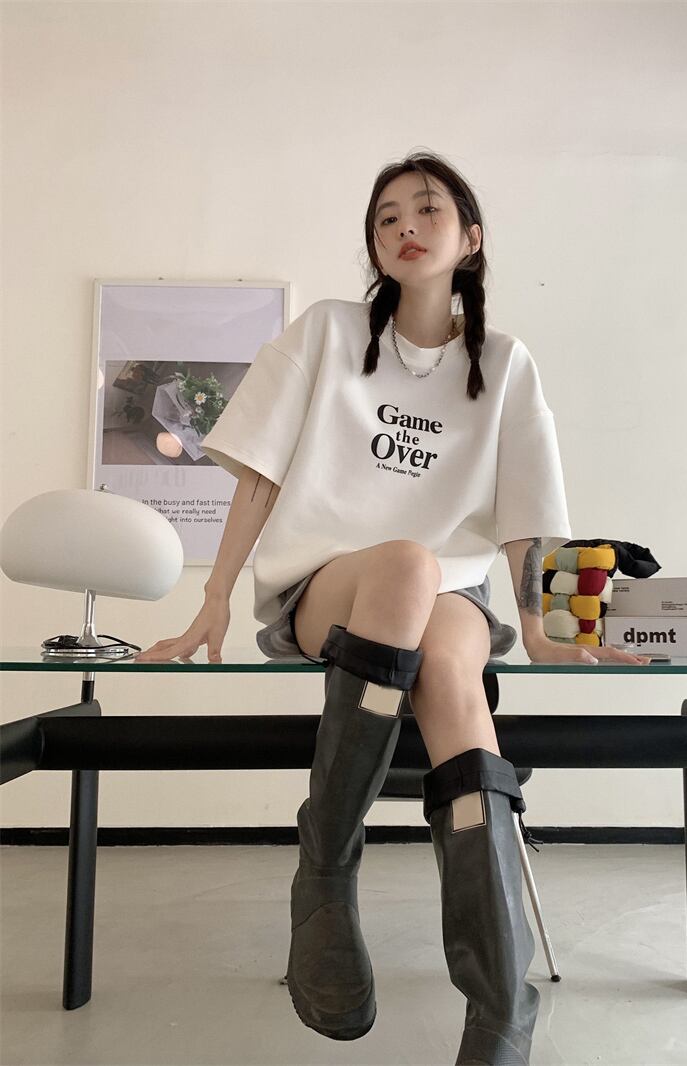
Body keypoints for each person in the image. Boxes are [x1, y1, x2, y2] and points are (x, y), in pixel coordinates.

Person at [135, 150, 650, 1066]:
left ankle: (501, 1004)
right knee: (409, 566)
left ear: (471, 238)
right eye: (386, 217)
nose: (405, 225)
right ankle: (327, 879)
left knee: (452, 669)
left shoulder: (505, 363)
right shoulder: (328, 333)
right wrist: (212, 599)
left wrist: (541, 631)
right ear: (374, 246)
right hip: (326, 587)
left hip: (449, 594)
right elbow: (259, 473)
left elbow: (529, 520)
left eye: (427, 209)